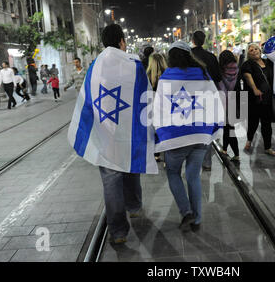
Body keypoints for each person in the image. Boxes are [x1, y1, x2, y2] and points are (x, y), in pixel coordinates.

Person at [67, 23, 158, 244]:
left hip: (103, 131)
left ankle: (118, 231)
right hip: (128, 129)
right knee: (131, 165)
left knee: (111, 178)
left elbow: (87, 99)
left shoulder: (94, 66)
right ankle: (134, 206)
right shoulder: (134, 65)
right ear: (121, 41)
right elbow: (145, 96)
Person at [153, 41, 223, 232]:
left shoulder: (166, 77)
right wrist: (212, 129)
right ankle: (197, 220)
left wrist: (159, 133)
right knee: (193, 176)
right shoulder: (203, 74)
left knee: (173, 173)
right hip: (200, 134)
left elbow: (158, 108)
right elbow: (215, 103)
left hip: (176, 136)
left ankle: (186, 212)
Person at [191, 30, 221, 171]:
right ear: (204, 40)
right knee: (206, 130)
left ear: (193, 40)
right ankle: (207, 162)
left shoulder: (188, 56)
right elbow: (218, 78)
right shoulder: (211, 57)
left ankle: (192, 161)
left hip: (190, 98)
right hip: (209, 97)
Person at [241, 43, 275, 156]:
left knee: (267, 124)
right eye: (251, 50)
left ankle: (268, 147)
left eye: (256, 49)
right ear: (248, 53)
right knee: (253, 122)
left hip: (267, 99)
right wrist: (254, 88)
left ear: (260, 50)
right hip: (254, 100)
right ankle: (249, 140)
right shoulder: (247, 64)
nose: (254, 51)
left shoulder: (268, 63)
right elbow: (248, 77)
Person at [218, 50, 241, 162]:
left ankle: (236, 154)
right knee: (229, 128)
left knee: (228, 129)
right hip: (234, 101)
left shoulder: (220, 71)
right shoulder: (237, 69)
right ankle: (225, 149)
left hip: (223, 102)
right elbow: (238, 88)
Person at [146, 52, 167, 162]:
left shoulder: (147, 74)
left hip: (151, 104)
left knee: (154, 128)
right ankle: (166, 155)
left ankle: (156, 154)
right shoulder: (167, 73)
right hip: (165, 103)